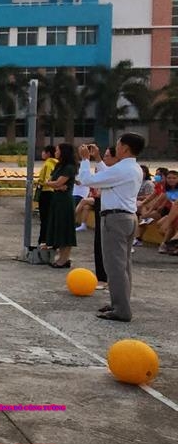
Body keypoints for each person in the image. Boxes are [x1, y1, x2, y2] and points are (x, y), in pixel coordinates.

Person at [77, 134, 145, 322]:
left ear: (124, 148)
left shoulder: (123, 169)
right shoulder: (133, 168)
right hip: (128, 217)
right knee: (124, 265)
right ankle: (120, 303)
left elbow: (88, 180)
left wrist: (85, 160)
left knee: (114, 266)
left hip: (115, 218)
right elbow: (107, 175)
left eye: (118, 144)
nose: (116, 147)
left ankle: (121, 308)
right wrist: (98, 159)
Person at [45, 143, 77, 269]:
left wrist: (54, 184)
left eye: (58, 150)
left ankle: (64, 259)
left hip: (65, 201)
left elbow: (58, 182)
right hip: (57, 198)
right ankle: (61, 257)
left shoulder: (69, 167)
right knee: (58, 227)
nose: (56, 152)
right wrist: (54, 184)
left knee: (65, 229)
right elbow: (52, 182)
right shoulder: (60, 166)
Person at [91, 147, 118, 290]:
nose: (104, 159)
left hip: (115, 211)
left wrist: (85, 160)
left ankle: (108, 278)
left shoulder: (119, 172)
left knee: (111, 247)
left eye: (107, 156)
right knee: (99, 241)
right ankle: (101, 276)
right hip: (100, 204)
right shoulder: (104, 171)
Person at [36, 145, 59, 248]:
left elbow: (47, 180)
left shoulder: (49, 164)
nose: (42, 153)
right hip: (52, 192)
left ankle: (43, 239)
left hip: (46, 192)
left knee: (45, 219)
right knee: (48, 218)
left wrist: (39, 182)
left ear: (48, 153)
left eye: (43, 151)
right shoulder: (56, 164)